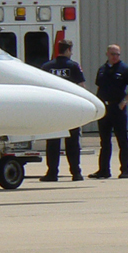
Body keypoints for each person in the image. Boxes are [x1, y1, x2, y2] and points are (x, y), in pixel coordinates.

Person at [90, 44, 128, 178]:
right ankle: (104, 170)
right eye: (113, 54)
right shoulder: (102, 69)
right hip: (104, 109)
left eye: (117, 54)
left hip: (117, 108)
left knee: (122, 140)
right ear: (107, 54)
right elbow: (100, 87)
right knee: (104, 141)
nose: (115, 57)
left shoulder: (125, 69)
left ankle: (125, 170)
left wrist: (124, 101)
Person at [40, 39, 85, 181]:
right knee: (72, 143)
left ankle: (52, 173)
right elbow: (81, 86)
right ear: (68, 50)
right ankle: (76, 173)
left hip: (53, 109)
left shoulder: (47, 66)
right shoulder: (74, 66)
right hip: (71, 109)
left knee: (53, 143)